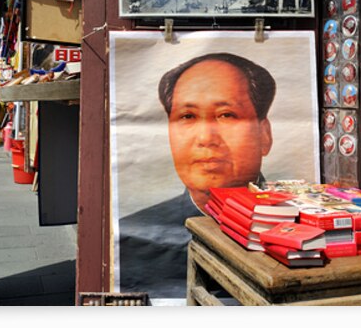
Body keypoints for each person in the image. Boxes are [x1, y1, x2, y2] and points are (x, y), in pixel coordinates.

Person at [119, 52, 277, 298]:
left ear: (264, 134)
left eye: (226, 115)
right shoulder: (130, 238)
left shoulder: (296, 224)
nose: (206, 139)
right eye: (187, 116)